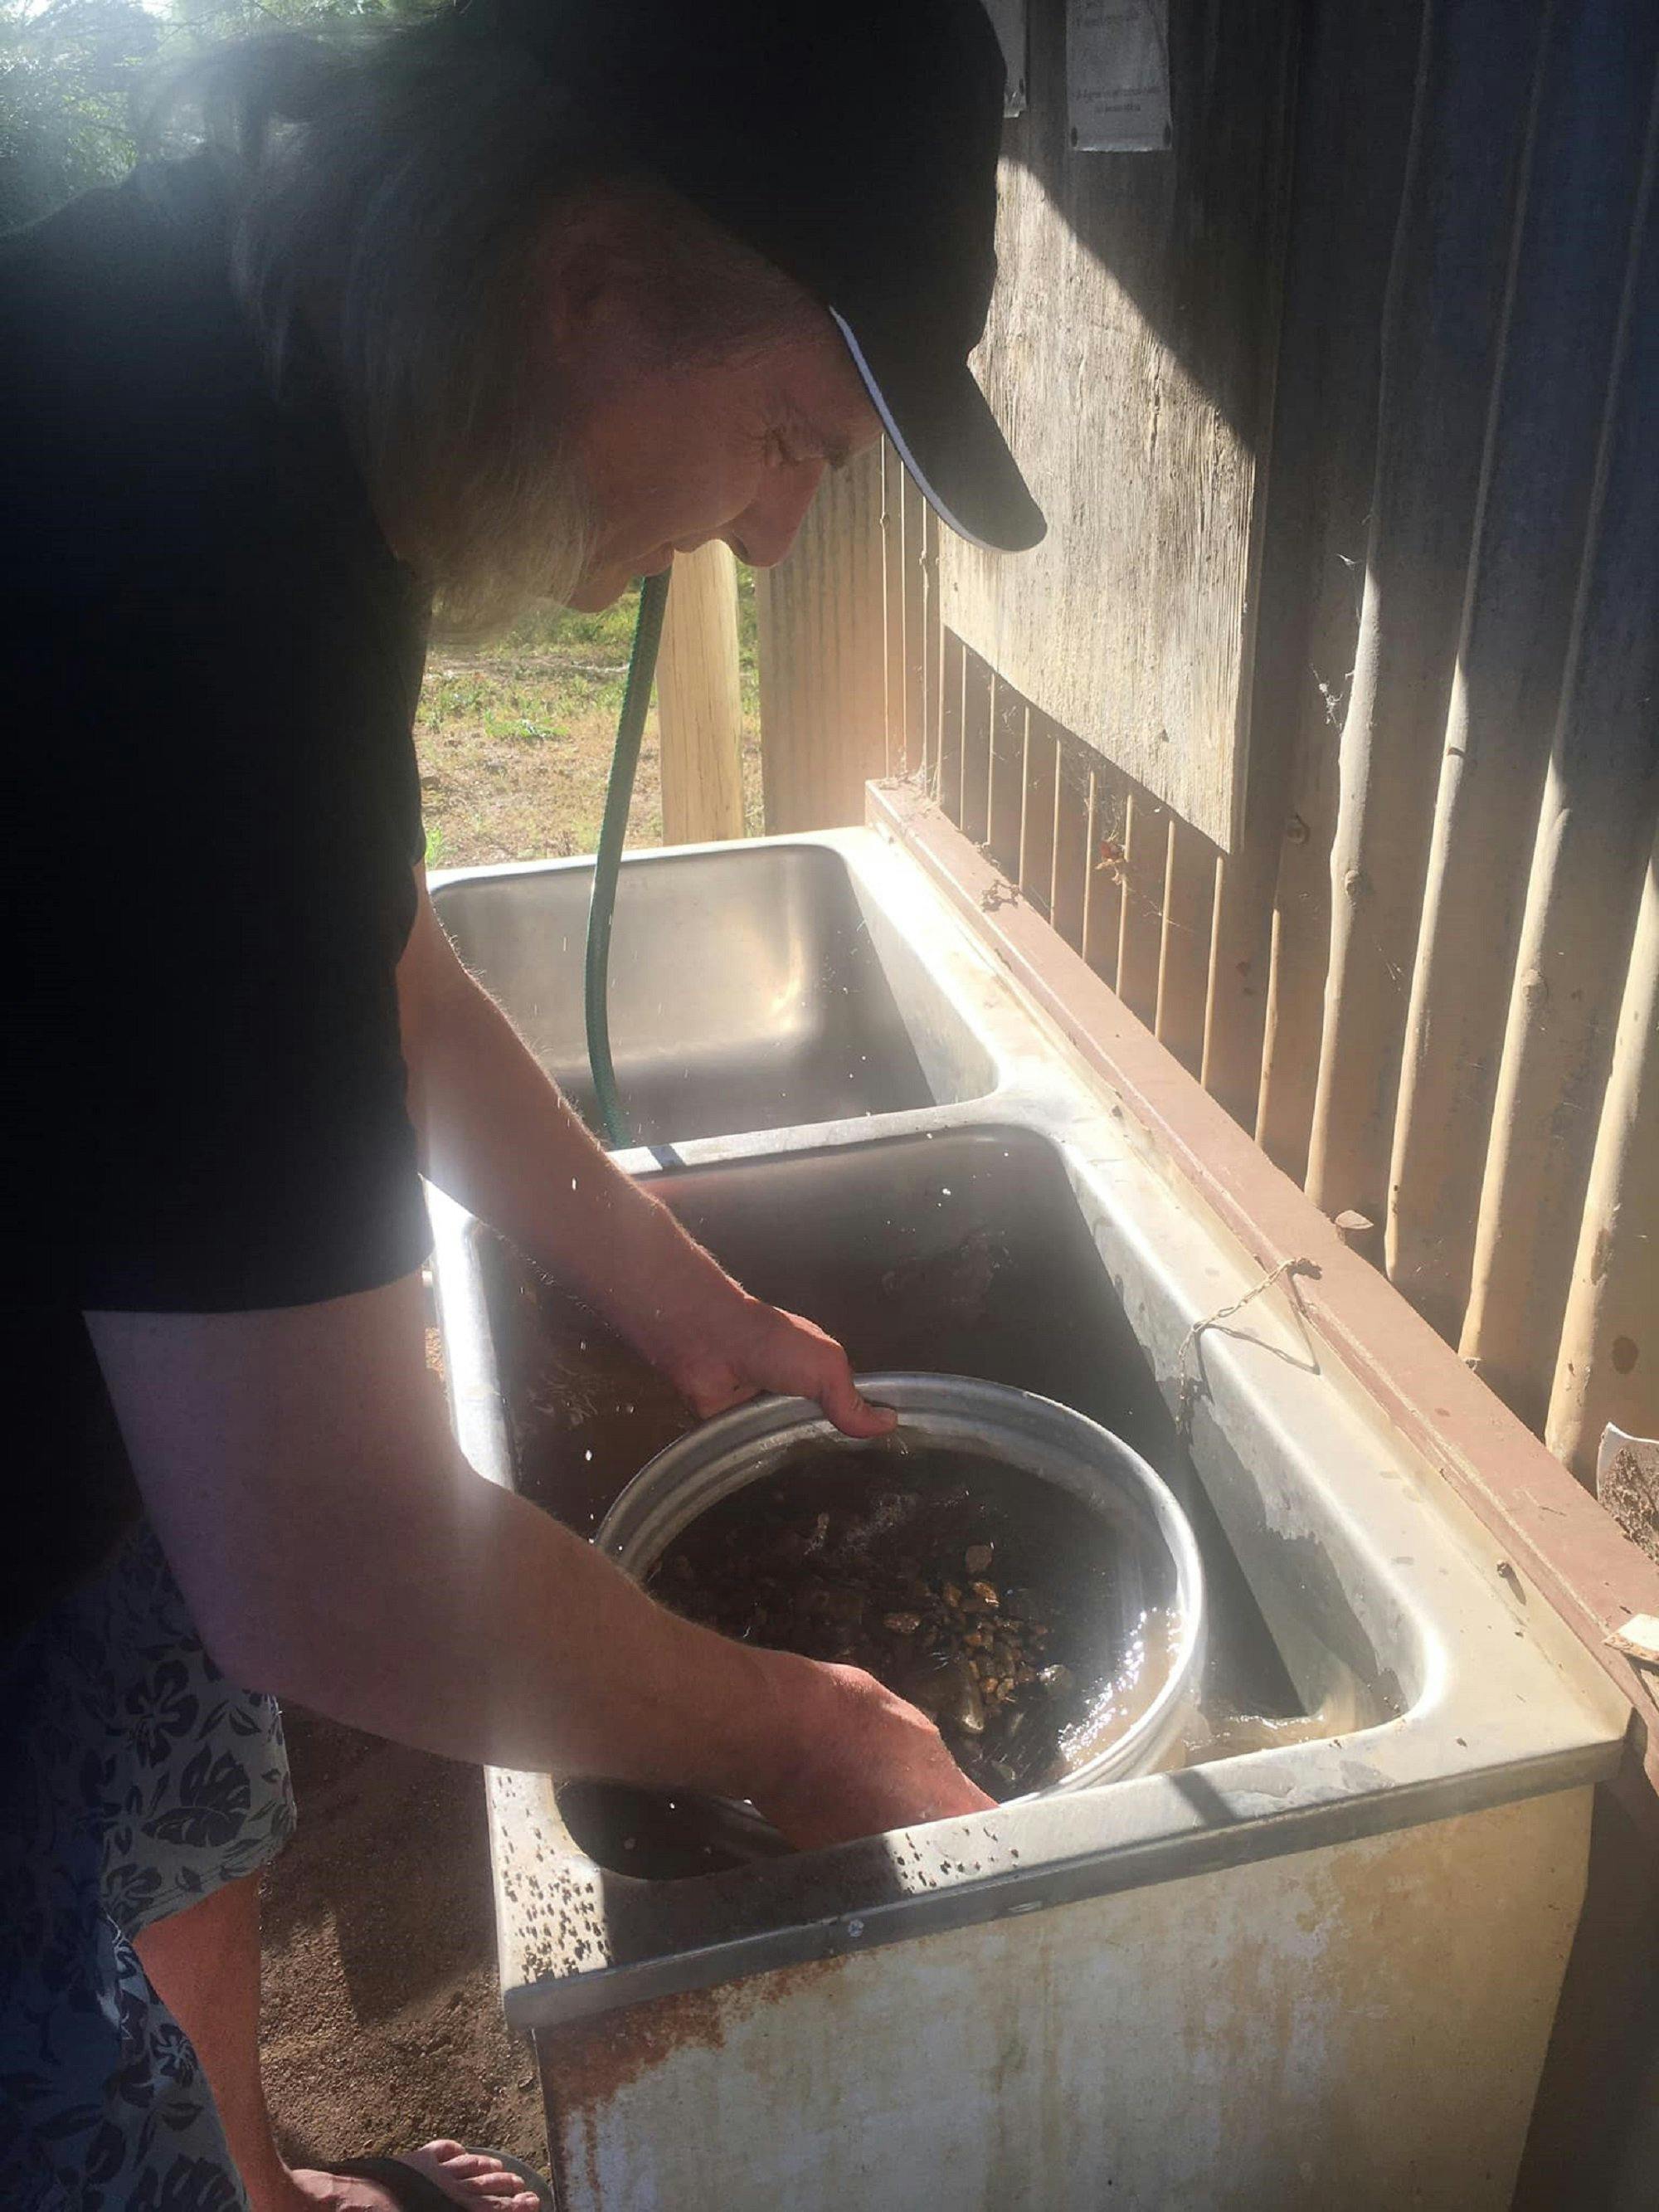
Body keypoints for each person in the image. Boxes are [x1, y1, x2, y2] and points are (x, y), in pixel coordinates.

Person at [1, 2, 1044, 2206]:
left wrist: (681, 1303)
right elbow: (331, 1555)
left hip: (107, 1341)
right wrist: (807, 1726)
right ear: (592, 287)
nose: (768, 542)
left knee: (176, 1775)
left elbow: (375, 965)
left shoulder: (269, 361)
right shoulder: (165, 561)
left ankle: (264, 2184)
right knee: (61, 2102)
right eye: (793, 438)